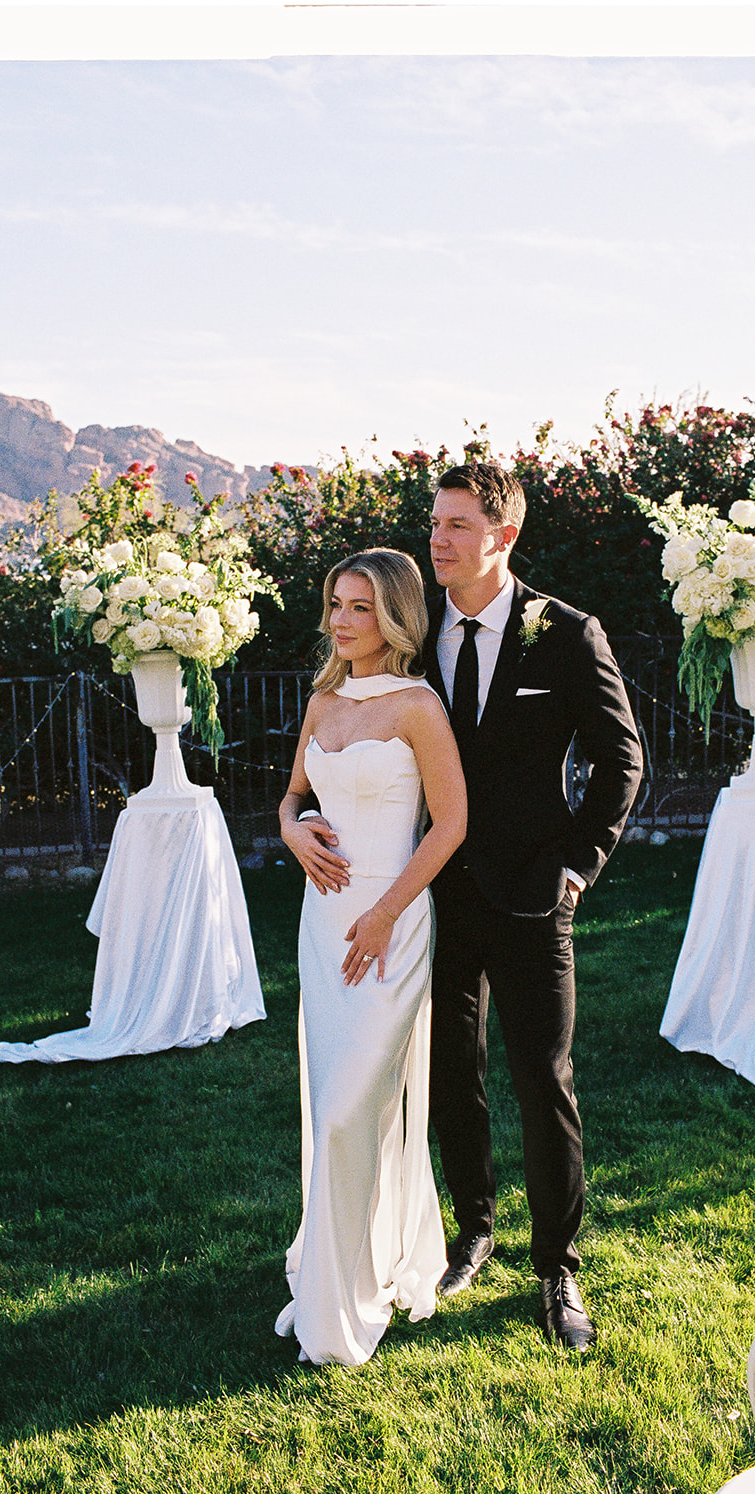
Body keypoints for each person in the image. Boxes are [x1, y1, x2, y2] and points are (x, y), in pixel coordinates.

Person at [423, 461, 643, 1351]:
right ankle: (472, 1228)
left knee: (541, 1080)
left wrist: (579, 866)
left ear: (503, 536)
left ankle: (556, 1268)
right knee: (450, 1071)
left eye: (457, 526)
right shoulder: (410, 629)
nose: (438, 540)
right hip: (432, 895)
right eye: (434, 523)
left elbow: (621, 761)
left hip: (531, 894)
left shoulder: (567, 633)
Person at [275, 548, 467, 1366]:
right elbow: (292, 796)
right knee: (331, 1109)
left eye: (357, 608)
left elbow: (452, 824)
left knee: (360, 1106)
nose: (340, 622)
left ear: (393, 616)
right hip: (323, 922)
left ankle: (359, 1285)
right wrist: (289, 830)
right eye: (335, 605)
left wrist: (388, 913)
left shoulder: (420, 706)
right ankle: (331, 1276)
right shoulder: (324, 700)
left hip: (391, 922)